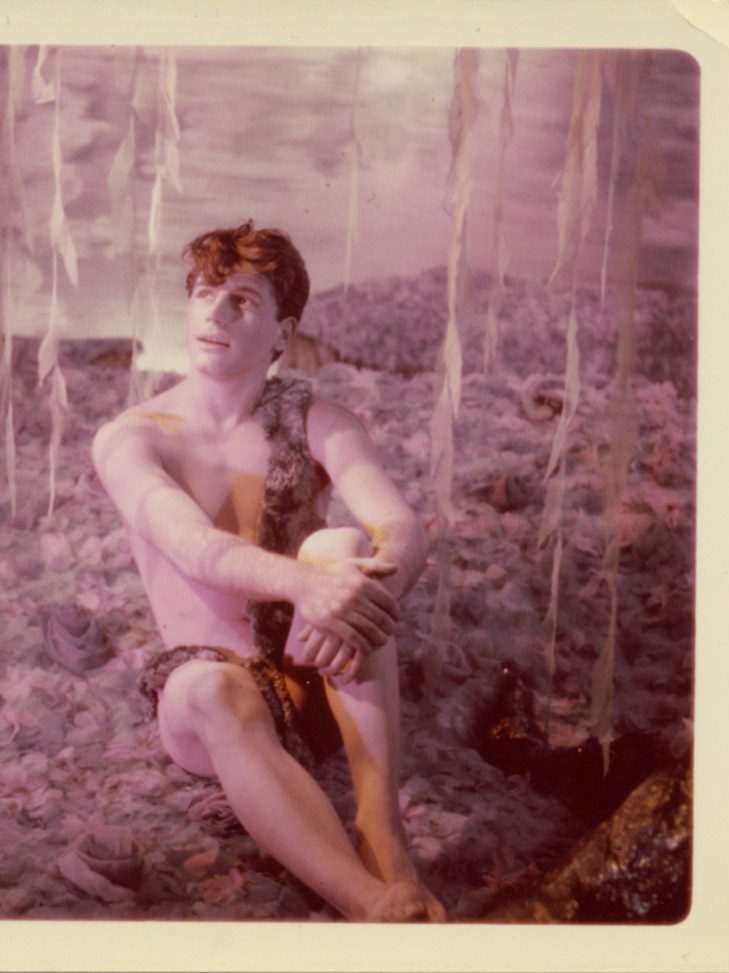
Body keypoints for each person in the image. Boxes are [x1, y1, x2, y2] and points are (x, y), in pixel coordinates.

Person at [91, 220, 446, 922]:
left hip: (321, 673)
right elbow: (197, 550)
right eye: (203, 295)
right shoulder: (132, 438)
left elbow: (402, 528)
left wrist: (369, 588)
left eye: (242, 302)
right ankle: (368, 901)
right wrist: (310, 585)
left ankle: (382, 825)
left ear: (283, 334)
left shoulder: (319, 419)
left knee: (340, 547)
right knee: (217, 686)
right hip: (212, 700)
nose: (214, 315)